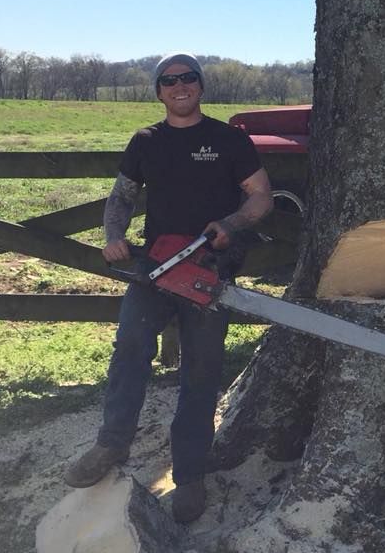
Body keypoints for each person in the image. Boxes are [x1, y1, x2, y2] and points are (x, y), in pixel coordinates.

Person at [64, 53, 273, 523]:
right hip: (156, 269)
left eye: (188, 78)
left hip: (209, 270)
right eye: (169, 80)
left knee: (201, 375)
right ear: (158, 91)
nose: (180, 86)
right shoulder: (146, 141)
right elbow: (121, 197)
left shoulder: (227, 139)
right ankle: (112, 444)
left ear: (201, 85)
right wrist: (114, 237)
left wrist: (232, 223)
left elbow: (261, 194)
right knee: (129, 350)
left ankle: (191, 474)